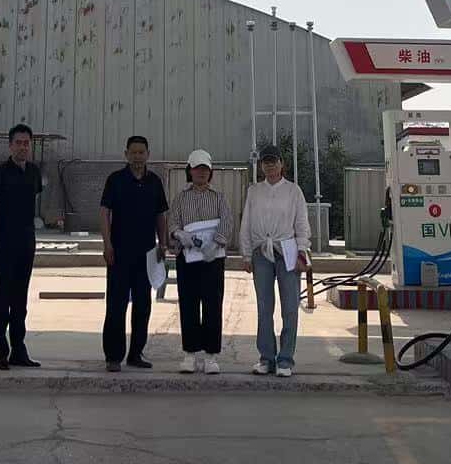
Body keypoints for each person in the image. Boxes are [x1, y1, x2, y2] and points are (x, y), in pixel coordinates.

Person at [99, 134, 170, 372]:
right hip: (119, 253)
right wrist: (107, 245)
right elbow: (104, 213)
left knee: (143, 305)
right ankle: (113, 356)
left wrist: (163, 243)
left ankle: (136, 353)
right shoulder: (115, 180)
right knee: (116, 305)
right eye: (134, 152)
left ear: (148, 155)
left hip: (146, 254)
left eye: (142, 152)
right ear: (126, 154)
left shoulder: (154, 182)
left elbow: (160, 215)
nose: (138, 157)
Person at [240, 143, 312, 377]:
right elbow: (246, 223)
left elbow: (301, 224)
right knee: (264, 307)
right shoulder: (254, 191)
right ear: (261, 166)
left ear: (282, 164)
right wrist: (246, 253)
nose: (270, 166)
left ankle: (286, 360)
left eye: (274, 161)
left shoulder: (293, 191)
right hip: (261, 251)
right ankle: (266, 358)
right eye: (266, 162)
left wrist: (302, 251)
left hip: (288, 249)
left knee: (290, 307)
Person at [0, 123, 44, 370]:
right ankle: (0, 351)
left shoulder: (34, 172)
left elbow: (32, 203)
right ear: (10, 146)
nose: (22, 147)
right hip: (5, 242)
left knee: (20, 297)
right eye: (18, 143)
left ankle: (19, 349)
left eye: (26, 143)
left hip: (26, 242)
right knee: (2, 296)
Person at [168, 148, 234, 374]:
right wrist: (179, 234)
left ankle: (211, 355)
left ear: (210, 171)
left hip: (212, 260)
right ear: (190, 170)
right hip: (187, 259)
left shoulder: (219, 197)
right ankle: (189, 353)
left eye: (205, 169)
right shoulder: (181, 197)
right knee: (188, 305)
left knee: (212, 305)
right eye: (197, 168)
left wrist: (216, 243)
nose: (201, 172)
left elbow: (227, 221)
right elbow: (173, 221)